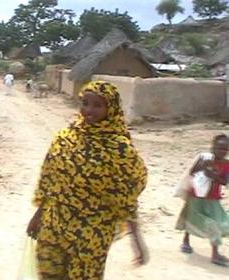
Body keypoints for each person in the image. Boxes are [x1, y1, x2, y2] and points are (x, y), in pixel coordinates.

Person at [26, 81, 148, 279]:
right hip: (54, 224)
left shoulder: (120, 149)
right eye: (85, 103)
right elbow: (49, 181)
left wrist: (136, 240)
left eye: (98, 105)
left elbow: (127, 197)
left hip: (92, 233)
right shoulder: (65, 138)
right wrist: (38, 215)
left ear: (111, 109)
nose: (89, 110)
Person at [176, 134, 229, 266]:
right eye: (218, 148)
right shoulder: (205, 159)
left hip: (213, 200)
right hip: (196, 197)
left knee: (218, 223)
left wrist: (214, 176)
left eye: (224, 149)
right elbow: (192, 172)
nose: (221, 152)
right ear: (212, 148)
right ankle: (189, 242)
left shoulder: (227, 165)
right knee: (193, 219)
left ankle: (214, 253)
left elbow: (225, 182)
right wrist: (204, 168)